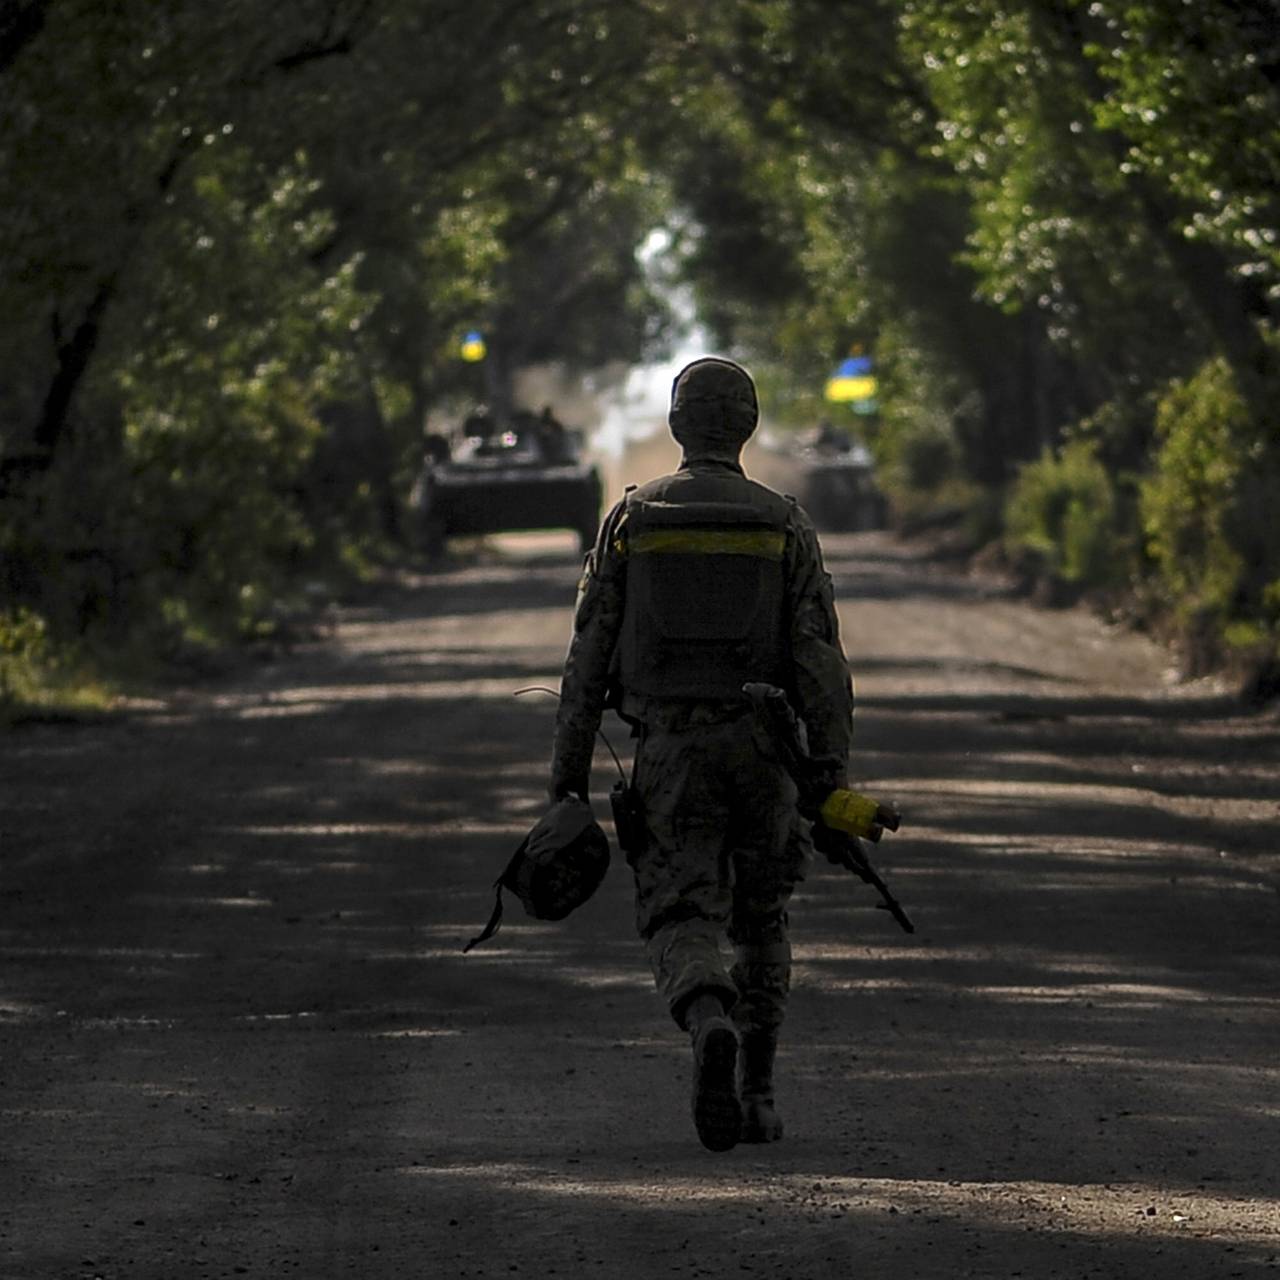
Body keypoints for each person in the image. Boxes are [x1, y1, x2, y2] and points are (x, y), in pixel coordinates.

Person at [549, 356, 854, 1151]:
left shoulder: (633, 521)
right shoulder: (783, 522)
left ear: (681, 424)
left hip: (670, 756)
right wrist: (830, 775)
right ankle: (756, 1092)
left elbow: (586, 661)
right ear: (747, 426)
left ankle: (707, 1015)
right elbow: (820, 661)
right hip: (766, 755)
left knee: (681, 913)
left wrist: (567, 782)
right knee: (763, 918)